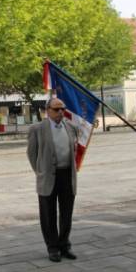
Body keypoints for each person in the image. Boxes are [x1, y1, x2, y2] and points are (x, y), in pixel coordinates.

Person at [27, 97, 79, 263]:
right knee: (48, 215)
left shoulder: (71, 127)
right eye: (56, 109)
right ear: (47, 110)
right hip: (48, 176)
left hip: (67, 176)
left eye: (62, 109)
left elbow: (75, 150)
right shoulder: (37, 129)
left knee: (66, 213)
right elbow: (32, 153)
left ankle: (64, 245)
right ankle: (53, 247)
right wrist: (40, 171)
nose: (60, 112)